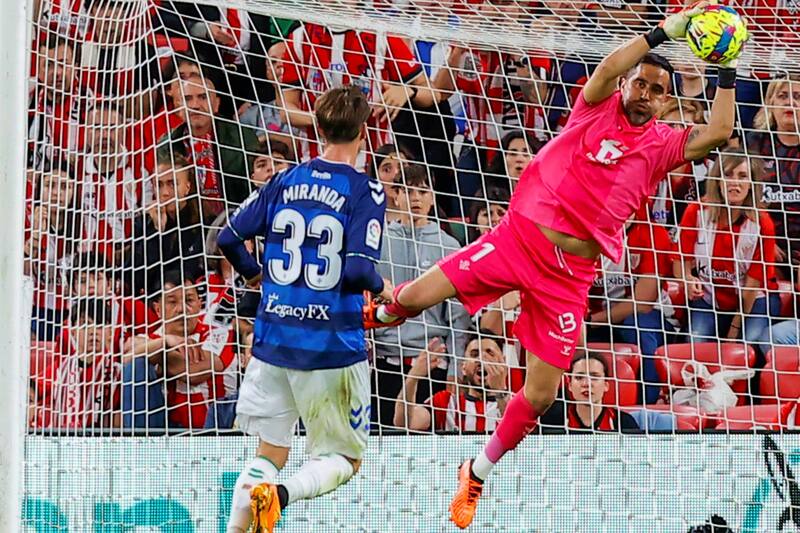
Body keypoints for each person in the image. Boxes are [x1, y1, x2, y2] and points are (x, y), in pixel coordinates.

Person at [364, 3, 738, 527]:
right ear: (627, 84)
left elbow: (720, 131)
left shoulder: (662, 146)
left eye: (657, 91)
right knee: (412, 299)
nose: (645, 95)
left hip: (570, 278)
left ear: (666, 102)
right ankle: (376, 318)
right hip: (520, 240)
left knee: (539, 396)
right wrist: (659, 33)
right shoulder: (595, 107)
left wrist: (727, 66)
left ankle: (476, 471)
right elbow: (607, 69)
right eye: (641, 84)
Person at [216, 86, 392, 533]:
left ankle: (238, 527)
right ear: (364, 130)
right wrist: (386, 287)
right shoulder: (364, 189)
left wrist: (256, 275)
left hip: (273, 340)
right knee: (345, 458)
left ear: (317, 127)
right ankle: (280, 497)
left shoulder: (284, 179)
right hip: (330, 347)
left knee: (268, 452)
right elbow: (356, 272)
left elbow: (228, 239)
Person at [372, 164, 470, 428]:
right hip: (383, 365)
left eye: (423, 191)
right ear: (396, 194)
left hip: (431, 365)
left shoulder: (448, 246)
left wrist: (454, 368)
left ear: (433, 197)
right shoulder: (377, 241)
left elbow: (458, 318)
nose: (416, 197)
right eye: (408, 190)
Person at [675, 150, 780, 357]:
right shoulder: (696, 211)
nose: (735, 183)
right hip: (708, 298)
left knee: (747, 346)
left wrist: (734, 330)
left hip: (754, 300)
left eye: (742, 176)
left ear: (752, 184)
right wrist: (687, 279)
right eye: (728, 175)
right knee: (696, 342)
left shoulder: (762, 223)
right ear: (717, 180)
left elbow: (752, 287)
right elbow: (680, 260)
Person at [586, 211, 677, 404]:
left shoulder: (653, 234)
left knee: (635, 325)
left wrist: (590, 321)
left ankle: (648, 404)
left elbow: (643, 304)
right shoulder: (583, 236)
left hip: (653, 319)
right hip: (598, 322)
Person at [157, 73, 259, 219]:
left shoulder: (242, 137)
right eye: (188, 99)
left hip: (237, 220)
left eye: (203, 97)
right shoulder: (167, 145)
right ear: (178, 106)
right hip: (188, 226)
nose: (195, 106)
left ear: (216, 104)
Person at [393, 331, 510, 433]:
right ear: (463, 367)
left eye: (490, 354)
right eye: (475, 355)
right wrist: (413, 377)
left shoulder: (518, 401)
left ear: (503, 363)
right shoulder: (445, 402)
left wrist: (499, 392)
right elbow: (404, 423)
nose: (482, 360)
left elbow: (518, 432)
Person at [745, 75, 800, 281]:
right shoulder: (755, 143)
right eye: (783, 96)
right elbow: (744, 197)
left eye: (797, 96)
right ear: (771, 103)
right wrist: (767, 241)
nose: (790, 103)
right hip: (764, 240)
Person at [538, 352, 640, 433]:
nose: (586, 384)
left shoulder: (624, 422)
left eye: (594, 377)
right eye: (579, 377)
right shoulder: (552, 421)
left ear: (606, 385)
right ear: (570, 386)